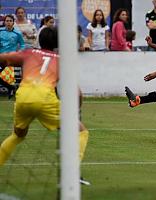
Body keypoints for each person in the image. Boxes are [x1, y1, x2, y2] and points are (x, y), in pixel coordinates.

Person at [0, 27, 90, 185]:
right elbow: (77, 93)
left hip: (22, 97)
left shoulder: (28, 53)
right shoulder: (60, 60)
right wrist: (75, 112)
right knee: (81, 132)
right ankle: (71, 174)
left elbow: (5, 58)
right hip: (45, 99)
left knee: (17, 135)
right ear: (57, 43)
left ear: (39, 40)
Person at [0, 15, 25, 99]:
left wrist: (19, 52)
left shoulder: (17, 33)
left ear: (13, 22)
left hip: (11, 58)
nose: (8, 22)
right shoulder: (0, 31)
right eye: (7, 21)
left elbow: (22, 44)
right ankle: (10, 88)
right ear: (4, 22)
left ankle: (12, 88)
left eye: (10, 21)